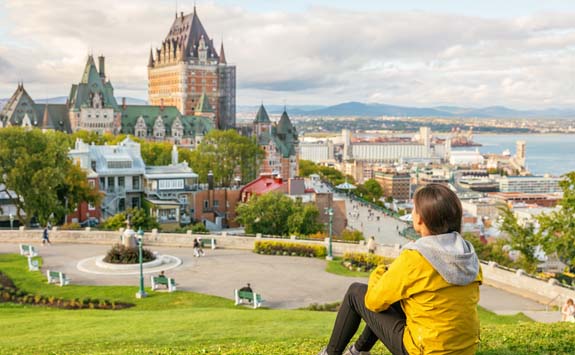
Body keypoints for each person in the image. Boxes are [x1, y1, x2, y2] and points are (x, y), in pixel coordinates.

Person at [316, 184, 482, 355]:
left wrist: (380, 272)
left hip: (425, 350)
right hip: (465, 349)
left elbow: (373, 301)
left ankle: (330, 353)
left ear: (420, 219)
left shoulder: (416, 259)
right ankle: (358, 351)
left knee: (355, 292)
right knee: (398, 298)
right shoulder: (468, 256)